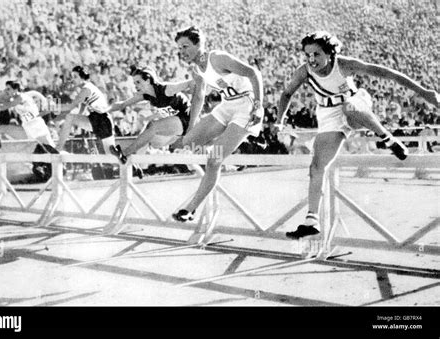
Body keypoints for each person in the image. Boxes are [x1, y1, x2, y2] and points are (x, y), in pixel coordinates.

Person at [276, 31, 439, 239]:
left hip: (357, 105)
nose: (311, 60)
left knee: (348, 107)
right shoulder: (304, 71)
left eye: (317, 54)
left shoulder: (345, 64)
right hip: (327, 114)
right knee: (317, 166)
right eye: (307, 55)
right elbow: (287, 93)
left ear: (330, 53)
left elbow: (390, 74)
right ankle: (311, 220)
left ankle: (388, 138)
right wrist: (279, 121)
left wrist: (425, 93)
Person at [171, 26, 264, 222]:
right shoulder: (197, 68)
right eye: (179, 48)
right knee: (188, 143)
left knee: (214, 160)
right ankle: (225, 152)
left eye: (185, 46)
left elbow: (254, 73)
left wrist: (258, 106)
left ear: (199, 44)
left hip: (246, 106)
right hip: (227, 105)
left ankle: (190, 209)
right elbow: (198, 98)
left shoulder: (217, 58)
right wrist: (190, 131)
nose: (182, 52)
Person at [107, 65, 195, 160]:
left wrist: (195, 92)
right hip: (174, 129)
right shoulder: (146, 95)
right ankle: (134, 164)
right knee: (146, 134)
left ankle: (125, 153)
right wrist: (104, 109)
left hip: (187, 121)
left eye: (138, 82)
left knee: (153, 126)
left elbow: (191, 82)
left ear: (148, 80)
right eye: (134, 83)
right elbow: (122, 104)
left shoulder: (167, 89)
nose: (135, 86)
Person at [55, 66, 126, 163]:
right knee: (112, 156)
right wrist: (77, 121)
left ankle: (58, 148)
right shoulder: (89, 87)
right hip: (103, 120)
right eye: (72, 77)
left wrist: (51, 107)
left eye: (75, 77)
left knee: (70, 117)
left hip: (100, 119)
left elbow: (70, 107)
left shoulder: (85, 90)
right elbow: (83, 106)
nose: (72, 80)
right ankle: (132, 165)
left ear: (82, 77)